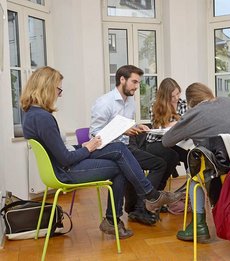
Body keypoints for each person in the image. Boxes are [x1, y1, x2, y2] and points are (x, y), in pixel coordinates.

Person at [20, 66, 182, 239]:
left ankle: (126, 211)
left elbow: (61, 151)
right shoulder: (43, 118)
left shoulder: (31, 114)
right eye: (58, 89)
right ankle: (146, 198)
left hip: (63, 165)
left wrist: (85, 146)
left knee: (120, 153)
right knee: (120, 157)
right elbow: (65, 159)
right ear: (46, 87)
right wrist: (87, 147)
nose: (60, 94)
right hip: (65, 171)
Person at [162, 83, 230, 242]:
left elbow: (167, 141)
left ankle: (199, 225)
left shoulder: (195, 113)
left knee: (194, 169)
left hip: (221, 167)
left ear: (191, 102)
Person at [90, 65, 169, 225]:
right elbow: (94, 134)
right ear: (122, 80)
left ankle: (142, 206)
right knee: (124, 168)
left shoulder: (131, 101)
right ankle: (146, 201)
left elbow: (125, 125)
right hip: (107, 149)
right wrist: (123, 131)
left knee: (159, 163)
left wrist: (136, 127)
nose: (137, 86)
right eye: (134, 82)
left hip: (126, 147)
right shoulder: (105, 102)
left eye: (138, 82)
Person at [146, 78, 188, 190]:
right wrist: (177, 123)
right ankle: (156, 192)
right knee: (170, 156)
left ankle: (189, 189)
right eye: (172, 96)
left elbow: (187, 124)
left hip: (177, 142)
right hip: (157, 142)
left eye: (178, 94)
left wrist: (171, 124)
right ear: (165, 96)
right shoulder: (155, 106)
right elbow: (158, 127)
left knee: (192, 155)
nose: (176, 98)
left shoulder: (184, 104)